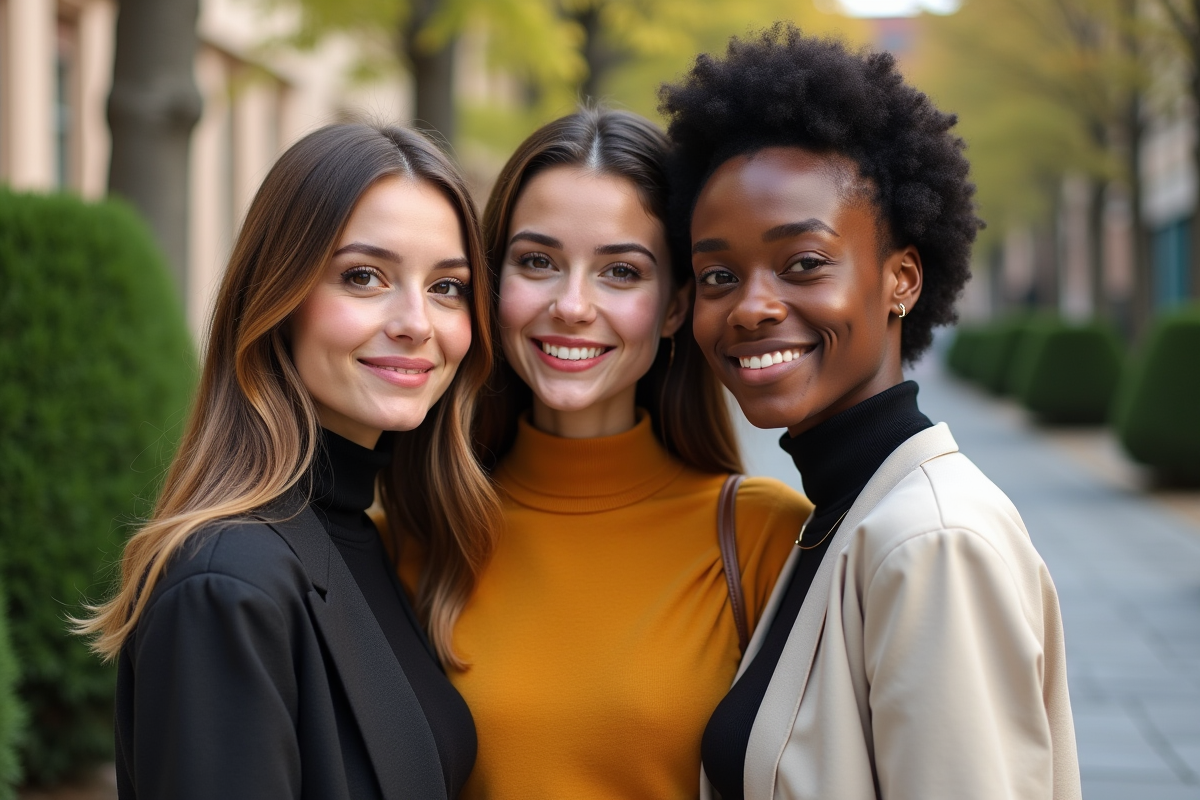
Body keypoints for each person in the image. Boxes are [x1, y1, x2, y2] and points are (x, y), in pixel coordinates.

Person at [659, 26, 1082, 800]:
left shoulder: (931, 542)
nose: (751, 306)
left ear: (902, 280)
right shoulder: (844, 515)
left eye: (804, 263)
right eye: (718, 275)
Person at [75, 123, 500, 800]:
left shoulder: (367, 541)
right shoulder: (227, 585)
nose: (417, 322)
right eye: (364, 277)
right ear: (278, 298)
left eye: (447, 286)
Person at [399, 107, 810, 799]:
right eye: (537, 262)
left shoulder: (765, 538)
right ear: (491, 285)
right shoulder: (414, 532)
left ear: (675, 306)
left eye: (620, 271)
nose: (571, 305)